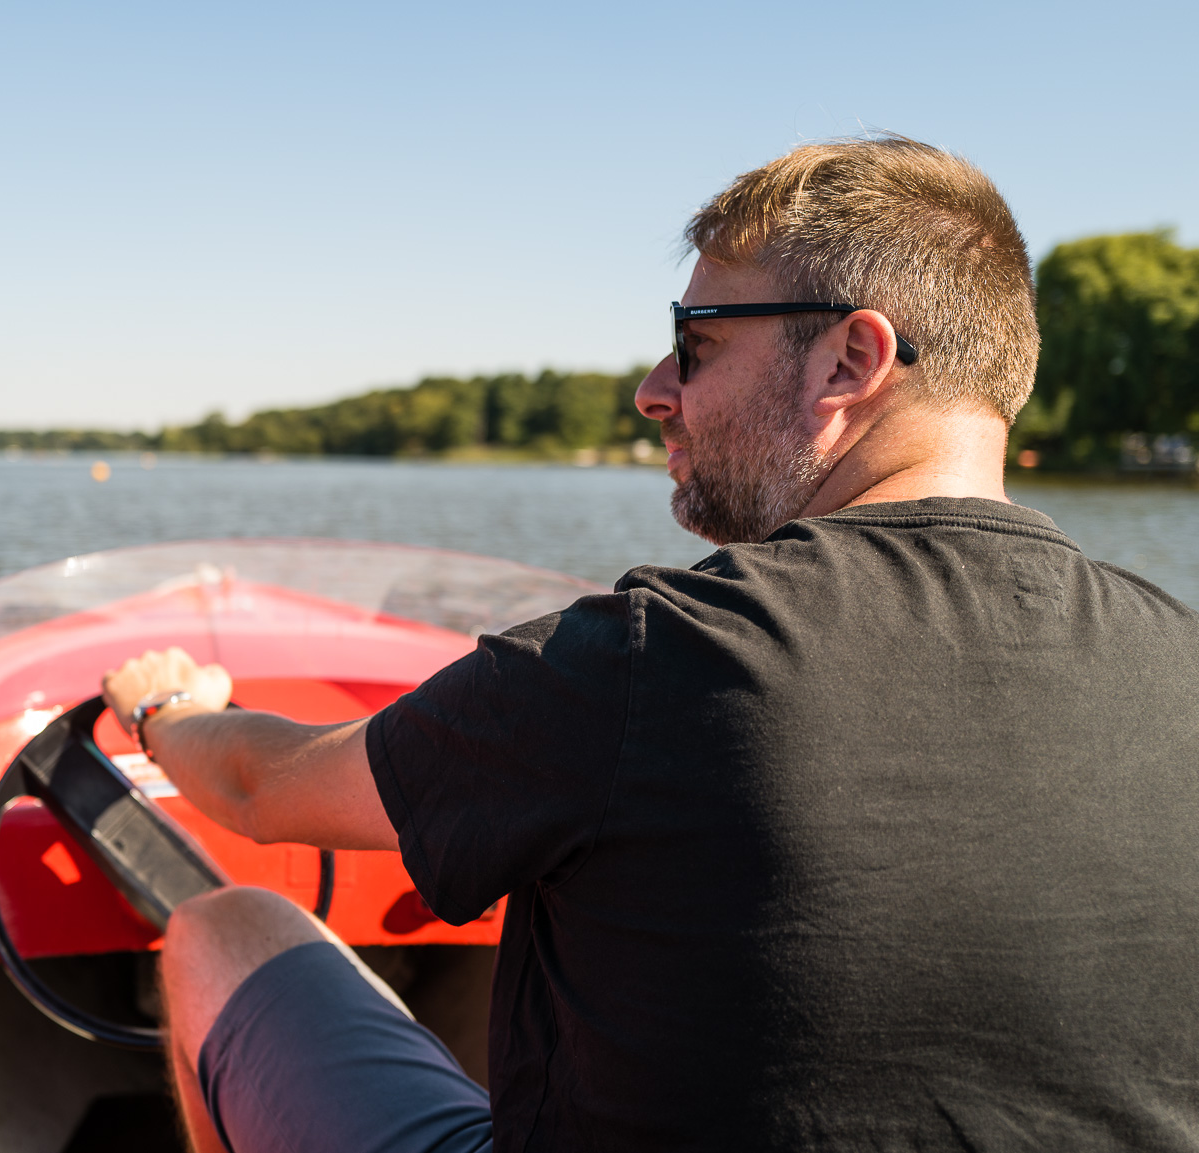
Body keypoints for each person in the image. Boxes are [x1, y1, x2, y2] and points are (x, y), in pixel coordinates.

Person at [100, 135, 1199, 1152]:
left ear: (850, 361)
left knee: (224, 929)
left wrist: (170, 710)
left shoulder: (656, 658)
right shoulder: (1180, 660)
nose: (652, 391)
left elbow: (256, 784)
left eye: (696, 345)